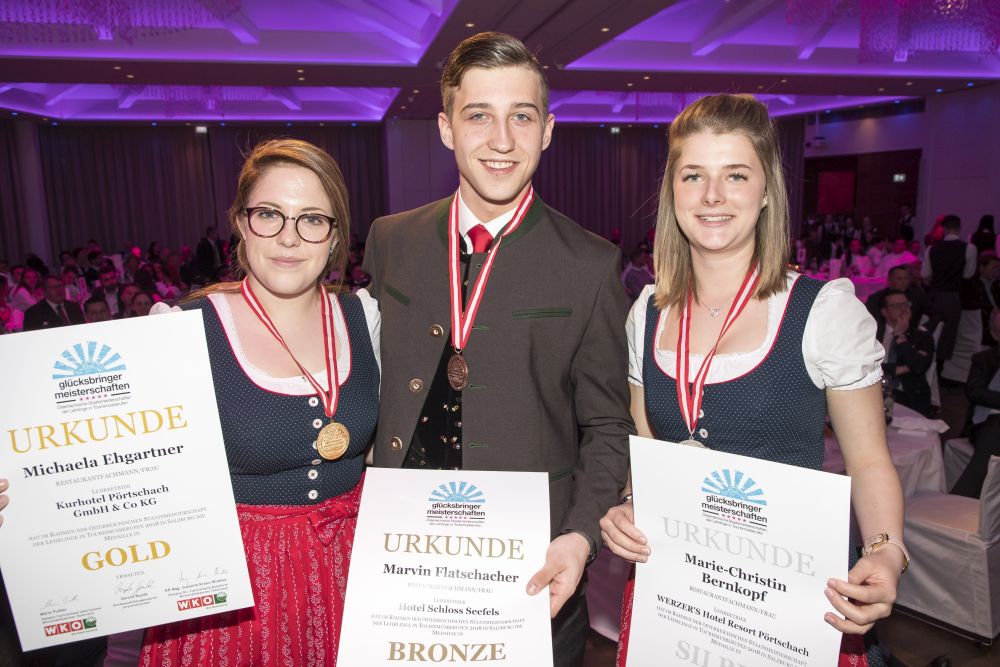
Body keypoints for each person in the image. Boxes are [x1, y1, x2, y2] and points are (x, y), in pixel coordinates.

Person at [0, 138, 381, 666]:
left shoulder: (364, 317)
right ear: (241, 222)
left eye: (312, 219)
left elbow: (386, 450)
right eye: (269, 214)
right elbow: (102, 467)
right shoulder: (179, 330)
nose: (289, 237)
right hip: (230, 593)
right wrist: (24, 492)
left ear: (335, 234)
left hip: (351, 575)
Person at [598, 94, 905, 666]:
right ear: (672, 192)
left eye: (736, 175)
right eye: (694, 175)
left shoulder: (822, 311)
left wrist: (886, 551)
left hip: (789, 599)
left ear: (766, 192)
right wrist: (631, 501)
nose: (712, 195)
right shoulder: (648, 312)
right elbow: (644, 446)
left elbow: (867, 461)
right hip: (684, 590)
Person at [362, 32, 632, 666]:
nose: (502, 139)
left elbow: (608, 425)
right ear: (446, 128)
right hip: (404, 553)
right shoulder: (392, 240)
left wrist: (580, 537)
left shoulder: (590, 264)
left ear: (548, 131)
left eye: (522, 117)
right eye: (479, 115)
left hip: (532, 561)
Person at [952, 310, 1000, 498]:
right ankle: (959, 502)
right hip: (988, 422)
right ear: (995, 335)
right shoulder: (984, 359)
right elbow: (975, 392)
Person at [922, 214, 976, 368]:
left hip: (934, 295)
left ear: (944, 229)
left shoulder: (932, 248)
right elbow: (968, 274)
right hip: (953, 296)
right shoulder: (969, 248)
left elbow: (925, 274)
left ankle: (925, 363)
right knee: (948, 335)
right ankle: (939, 368)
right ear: (959, 228)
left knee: (929, 330)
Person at [878, 289, 935, 416]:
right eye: (896, 306)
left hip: (908, 394)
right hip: (873, 390)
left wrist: (900, 337)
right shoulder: (873, 335)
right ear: (884, 312)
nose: (903, 309)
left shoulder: (922, 337)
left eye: (905, 304)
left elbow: (919, 367)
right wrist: (899, 369)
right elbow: (862, 366)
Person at [867, 265, 929, 333]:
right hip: (881, 334)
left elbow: (935, 314)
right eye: (899, 279)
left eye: (906, 278)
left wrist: (923, 328)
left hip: (911, 334)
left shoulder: (917, 296)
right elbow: (868, 318)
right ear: (889, 280)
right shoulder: (876, 298)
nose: (903, 282)